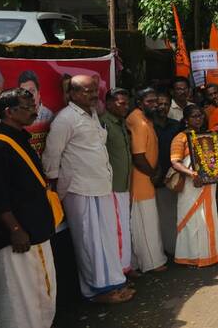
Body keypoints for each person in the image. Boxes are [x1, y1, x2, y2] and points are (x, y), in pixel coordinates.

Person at [43, 75, 133, 303]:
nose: (93, 95)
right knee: (89, 242)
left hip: (101, 186)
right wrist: (54, 183)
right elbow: (52, 156)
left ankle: (112, 284)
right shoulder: (65, 119)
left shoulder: (92, 115)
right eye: (87, 91)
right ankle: (95, 292)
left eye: (94, 90)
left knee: (106, 241)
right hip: (79, 189)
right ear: (72, 94)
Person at [0, 88, 56, 327]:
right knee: (21, 298)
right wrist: (15, 229)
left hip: (36, 229)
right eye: (28, 107)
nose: (34, 111)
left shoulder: (19, 138)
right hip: (20, 235)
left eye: (34, 106)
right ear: (9, 112)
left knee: (41, 291)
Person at [170, 105, 218, 266]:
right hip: (191, 184)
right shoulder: (180, 137)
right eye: (194, 116)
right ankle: (191, 257)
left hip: (208, 182)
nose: (198, 119)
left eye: (200, 115)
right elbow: (175, 162)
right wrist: (192, 174)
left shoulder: (208, 136)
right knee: (192, 219)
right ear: (186, 120)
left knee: (208, 217)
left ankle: (210, 255)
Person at [126, 88, 167, 273]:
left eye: (156, 101)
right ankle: (152, 263)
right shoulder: (139, 122)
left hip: (146, 177)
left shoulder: (145, 119)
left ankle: (142, 261)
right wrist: (153, 173)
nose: (155, 105)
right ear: (140, 103)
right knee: (145, 223)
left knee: (146, 222)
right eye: (150, 102)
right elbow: (138, 156)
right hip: (141, 180)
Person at [99, 88, 135, 276]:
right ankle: (119, 273)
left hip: (123, 184)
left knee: (123, 227)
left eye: (127, 103)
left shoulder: (120, 123)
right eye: (122, 103)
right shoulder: (103, 123)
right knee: (117, 230)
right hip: (112, 187)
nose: (126, 107)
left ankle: (125, 267)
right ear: (109, 103)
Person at [154, 91, 182, 255]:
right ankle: (168, 249)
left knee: (176, 213)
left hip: (175, 176)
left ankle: (177, 248)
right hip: (156, 177)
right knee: (162, 216)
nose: (162, 107)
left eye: (166, 104)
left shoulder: (176, 125)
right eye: (159, 104)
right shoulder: (148, 125)